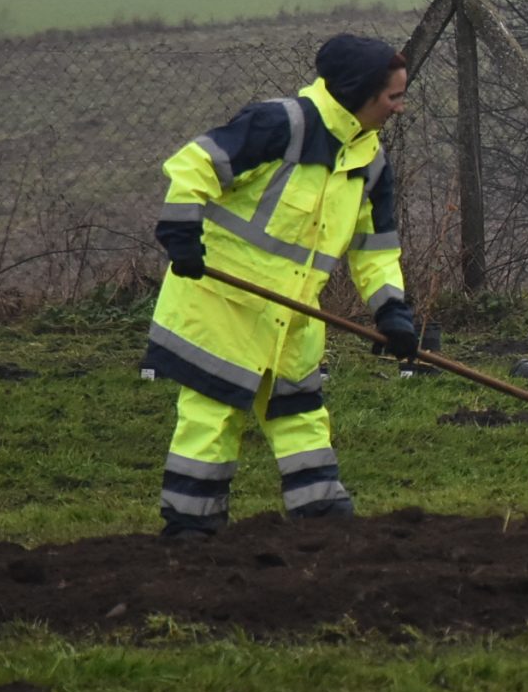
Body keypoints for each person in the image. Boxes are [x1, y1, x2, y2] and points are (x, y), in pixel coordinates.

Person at [142, 34, 419, 538]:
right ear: (361, 93)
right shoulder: (280, 125)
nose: (401, 108)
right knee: (212, 415)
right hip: (221, 306)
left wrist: (392, 313)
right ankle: (190, 531)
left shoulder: (370, 163)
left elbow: (375, 250)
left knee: (300, 414)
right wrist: (180, 230)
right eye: (394, 97)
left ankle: (321, 519)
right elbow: (194, 165)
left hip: (293, 316)